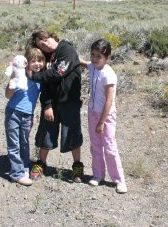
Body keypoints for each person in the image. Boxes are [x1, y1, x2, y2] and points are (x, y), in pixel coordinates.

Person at [26, 28, 84, 183]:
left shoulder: (66, 49)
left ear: (52, 36)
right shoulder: (46, 57)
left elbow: (59, 72)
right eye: (41, 45)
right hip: (53, 103)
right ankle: (41, 162)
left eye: (45, 40)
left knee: (73, 134)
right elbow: (46, 83)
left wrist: (35, 76)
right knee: (46, 132)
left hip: (70, 102)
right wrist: (46, 105)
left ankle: (77, 166)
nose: (45, 45)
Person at [80, 39, 128, 194]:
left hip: (105, 116)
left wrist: (101, 122)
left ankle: (119, 180)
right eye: (92, 54)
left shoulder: (108, 74)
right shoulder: (93, 67)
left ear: (107, 57)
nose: (94, 58)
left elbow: (109, 101)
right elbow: (83, 63)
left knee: (109, 147)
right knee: (95, 145)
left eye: (98, 56)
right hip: (93, 112)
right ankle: (98, 174)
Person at [4, 47, 45, 186]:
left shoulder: (41, 77)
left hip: (28, 115)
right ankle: (17, 174)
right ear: (27, 62)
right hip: (13, 111)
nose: (38, 64)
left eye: (40, 61)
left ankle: (24, 167)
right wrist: (13, 80)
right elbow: (8, 95)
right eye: (34, 61)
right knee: (14, 143)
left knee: (24, 142)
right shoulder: (19, 73)